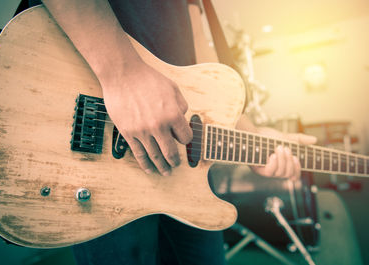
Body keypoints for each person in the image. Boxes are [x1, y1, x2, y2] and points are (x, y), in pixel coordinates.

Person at [19, 0, 317, 264]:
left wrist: (254, 137)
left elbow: (206, 67)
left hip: (186, 166)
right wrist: (122, 73)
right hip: (101, 153)